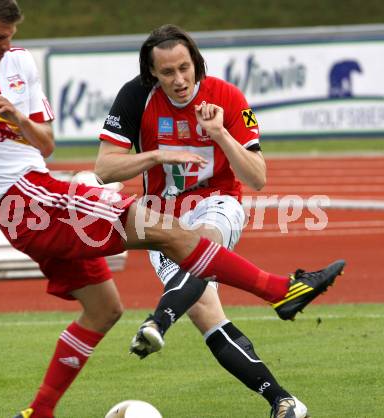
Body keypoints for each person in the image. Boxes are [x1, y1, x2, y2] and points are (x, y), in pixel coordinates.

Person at [0, 2, 344, 416]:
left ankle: (39, 411)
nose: (6, 44)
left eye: (10, 36)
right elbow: (104, 167)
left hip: (41, 197)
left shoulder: (19, 62)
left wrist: (17, 119)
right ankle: (280, 291)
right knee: (168, 231)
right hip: (27, 198)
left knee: (104, 310)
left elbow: (45, 144)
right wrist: (155, 156)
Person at [96, 24, 345, 418]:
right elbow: (104, 169)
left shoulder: (227, 97)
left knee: (203, 248)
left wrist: (220, 134)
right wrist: (157, 156)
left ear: (196, 62)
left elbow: (257, 178)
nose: (179, 80)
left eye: (185, 68)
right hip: (161, 215)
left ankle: (158, 321)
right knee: (207, 315)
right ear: (152, 75)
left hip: (218, 202)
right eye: (167, 73)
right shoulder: (135, 97)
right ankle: (284, 401)